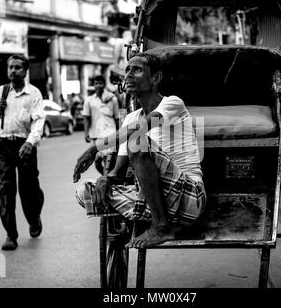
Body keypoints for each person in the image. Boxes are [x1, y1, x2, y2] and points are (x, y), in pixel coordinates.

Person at [73, 53, 206, 248]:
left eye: (136, 70)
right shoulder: (130, 118)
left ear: (156, 78)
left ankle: (161, 227)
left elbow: (142, 127)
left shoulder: (173, 103)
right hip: (154, 201)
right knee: (85, 191)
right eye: (127, 70)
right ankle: (151, 214)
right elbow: (117, 173)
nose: (128, 75)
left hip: (188, 197)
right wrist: (106, 179)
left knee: (136, 140)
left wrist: (95, 147)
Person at [0, 54, 45, 251]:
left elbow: (38, 120)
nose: (13, 71)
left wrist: (31, 141)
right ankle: (11, 234)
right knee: (5, 189)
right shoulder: (1, 92)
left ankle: (34, 218)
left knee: (29, 190)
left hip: (25, 144)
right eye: (10, 67)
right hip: (2, 145)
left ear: (25, 71)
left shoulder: (34, 93)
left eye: (17, 67)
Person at [82, 75, 120, 174]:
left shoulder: (112, 99)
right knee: (97, 162)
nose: (98, 85)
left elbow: (116, 117)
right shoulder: (89, 100)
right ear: (93, 85)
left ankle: (106, 180)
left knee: (108, 161)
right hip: (96, 135)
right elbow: (86, 117)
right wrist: (86, 133)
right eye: (96, 83)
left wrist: (119, 134)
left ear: (104, 85)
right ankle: (106, 178)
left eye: (100, 83)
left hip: (110, 134)